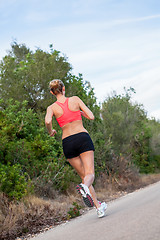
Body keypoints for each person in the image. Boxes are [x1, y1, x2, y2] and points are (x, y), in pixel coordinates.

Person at [45, 79, 107, 218]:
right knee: (89, 174)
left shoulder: (52, 108)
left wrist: (51, 131)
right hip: (82, 137)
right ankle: (85, 189)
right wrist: (80, 113)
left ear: (52, 92)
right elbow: (91, 116)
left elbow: (48, 121)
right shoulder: (75, 100)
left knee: (84, 177)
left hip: (67, 142)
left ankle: (99, 208)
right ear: (64, 89)